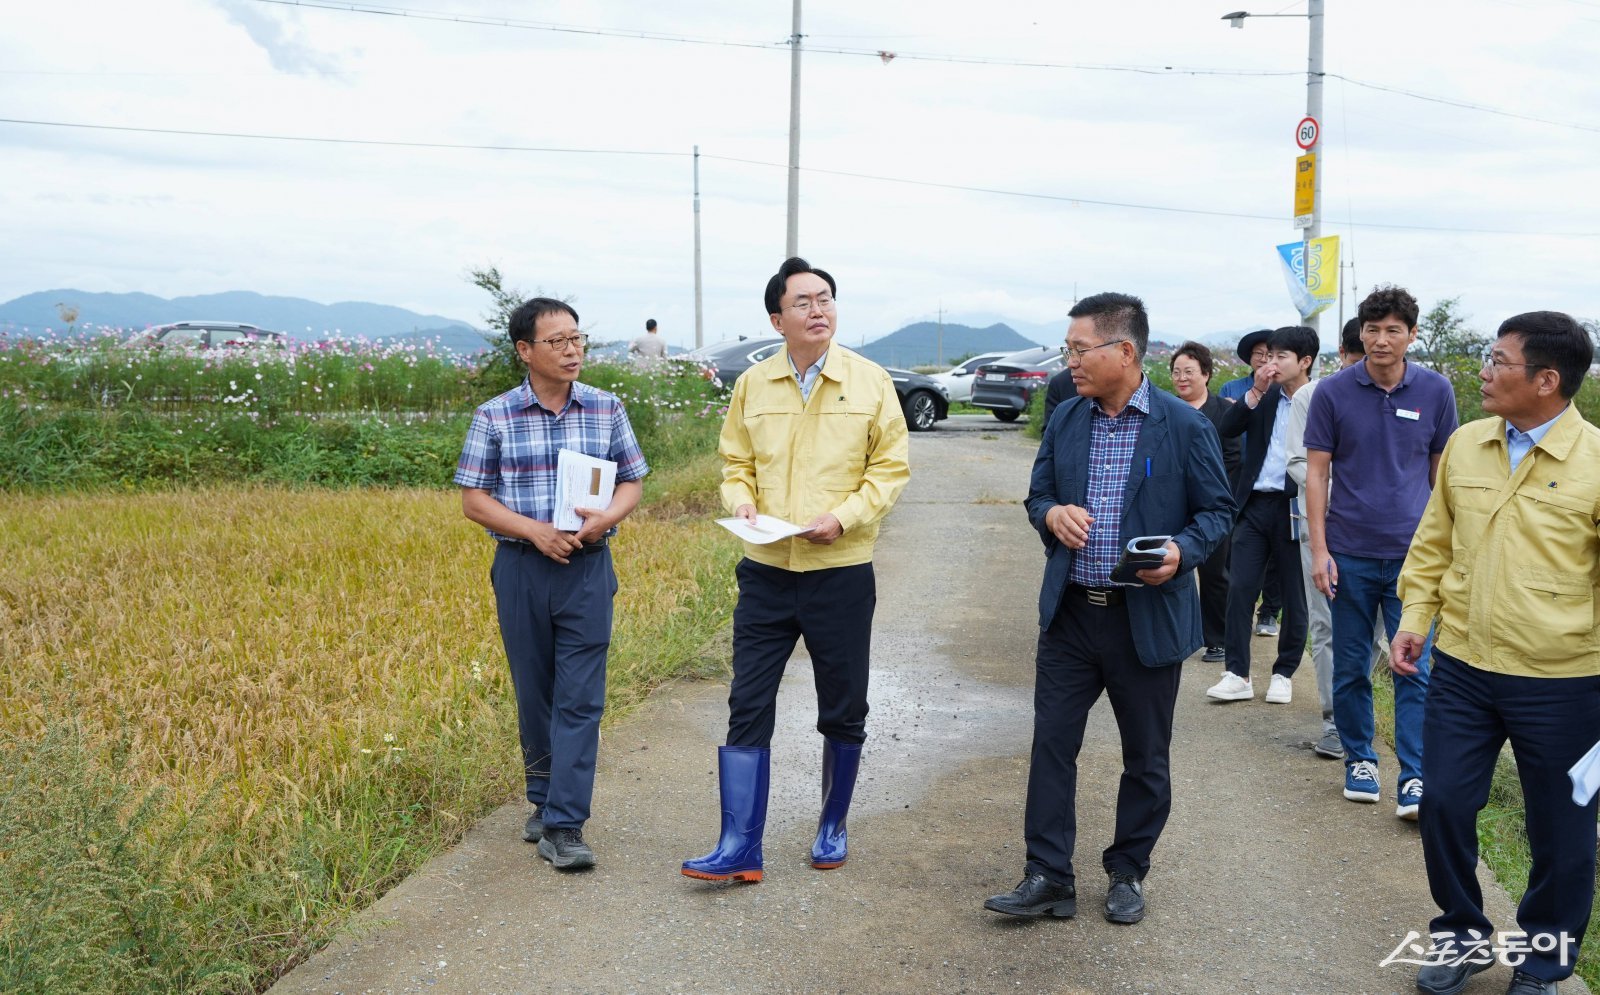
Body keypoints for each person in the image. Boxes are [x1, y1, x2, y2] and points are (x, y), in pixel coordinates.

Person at [984, 292, 1233, 925]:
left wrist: (1183, 549)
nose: (1070, 361)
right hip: (1071, 616)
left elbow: (1218, 512)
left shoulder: (1183, 425)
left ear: (1124, 351)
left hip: (1143, 619)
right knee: (1051, 746)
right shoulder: (1068, 417)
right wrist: (1052, 515)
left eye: (1078, 349)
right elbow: (1038, 494)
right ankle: (1047, 875)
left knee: (1145, 755)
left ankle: (1128, 870)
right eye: (1068, 350)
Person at [682, 257, 910, 884]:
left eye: (827, 298)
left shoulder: (870, 382)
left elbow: (888, 470)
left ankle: (832, 824)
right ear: (776, 318)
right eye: (804, 302)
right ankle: (739, 845)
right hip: (766, 571)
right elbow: (736, 464)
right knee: (747, 701)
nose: (818, 310)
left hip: (840, 568)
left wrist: (844, 517)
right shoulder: (753, 386)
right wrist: (742, 503)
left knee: (843, 705)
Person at [1393, 311, 1600, 995]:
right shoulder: (1466, 443)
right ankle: (1462, 934)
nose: (1484, 369)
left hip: (1566, 682)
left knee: (1563, 829)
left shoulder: (1595, 461)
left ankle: (1542, 962)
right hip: (1463, 668)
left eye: (1498, 358)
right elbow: (1433, 542)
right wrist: (1416, 616)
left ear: (1547, 379)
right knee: (1444, 802)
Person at [455, 297, 649, 871]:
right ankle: (541, 799)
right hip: (521, 568)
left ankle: (565, 824)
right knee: (535, 691)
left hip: (587, 568)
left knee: (581, 698)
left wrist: (603, 521)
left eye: (577, 339)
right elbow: (474, 500)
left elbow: (632, 482)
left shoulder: (605, 408)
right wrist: (537, 533)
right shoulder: (495, 415)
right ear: (525, 350)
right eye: (558, 341)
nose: (572, 350)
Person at [1304, 285, 1457, 817]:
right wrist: (1319, 550)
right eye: (1372, 329)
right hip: (1348, 553)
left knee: (1414, 666)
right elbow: (1317, 474)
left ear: (1412, 335)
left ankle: (1414, 776)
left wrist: (1453, 548)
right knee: (1350, 664)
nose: (1381, 339)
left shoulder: (1436, 391)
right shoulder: (1333, 393)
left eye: (1394, 329)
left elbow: (1442, 474)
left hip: (1416, 559)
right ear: (1361, 334)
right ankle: (1360, 760)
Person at [1205, 326, 1317, 705]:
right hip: (1254, 504)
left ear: (1305, 362)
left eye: (1280, 356)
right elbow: (1226, 428)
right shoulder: (1263, 397)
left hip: (1294, 506)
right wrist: (1254, 392)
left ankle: (1284, 672)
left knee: (1294, 595)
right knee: (1240, 588)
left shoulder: (1321, 400)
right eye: (1269, 356)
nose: (1271, 363)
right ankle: (1237, 673)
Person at [1168, 341, 1240, 662]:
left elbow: (1233, 460)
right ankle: (1174, 634)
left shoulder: (1224, 411)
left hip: (1211, 506)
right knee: (1170, 570)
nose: (1182, 378)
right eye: (1176, 372)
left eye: (1189, 372)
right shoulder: (1166, 410)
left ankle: (1217, 639)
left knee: (1214, 575)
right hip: (1172, 504)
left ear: (1206, 375)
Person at [1221, 329, 1284, 637]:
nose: (1264, 358)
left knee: (1277, 557)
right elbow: (1223, 427)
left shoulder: (1286, 390)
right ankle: (1237, 611)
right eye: (1259, 353)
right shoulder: (1233, 387)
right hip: (1237, 475)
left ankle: (1269, 611)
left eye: (1270, 353)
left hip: (1274, 482)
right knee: (1237, 548)